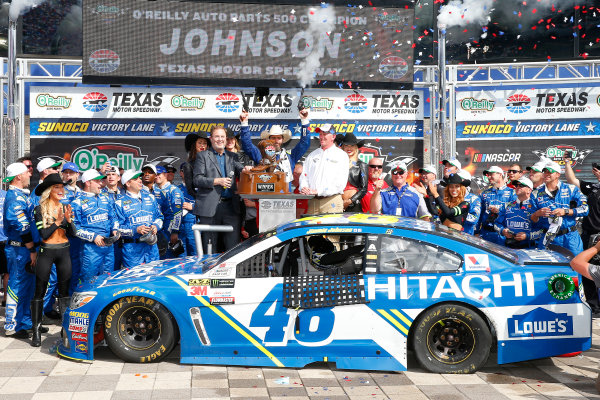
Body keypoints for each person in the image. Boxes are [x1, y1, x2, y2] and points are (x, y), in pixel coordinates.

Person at [31, 173, 76, 346]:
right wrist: (57, 222)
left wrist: (69, 221)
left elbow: (73, 234)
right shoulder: (39, 209)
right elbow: (43, 235)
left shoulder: (66, 207)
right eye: (56, 187)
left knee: (64, 293)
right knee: (39, 291)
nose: (60, 190)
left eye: (62, 187)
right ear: (49, 190)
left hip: (64, 251)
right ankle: (36, 332)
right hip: (47, 251)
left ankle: (65, 331)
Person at [193, 126, 251, 253]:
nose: (220, 139)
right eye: (217, 136)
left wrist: (246, 169)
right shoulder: (203, 156)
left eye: (222, 137)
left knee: (233, 248)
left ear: (226, 139)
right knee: (209, 248)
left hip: (231, 207)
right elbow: (197, 180)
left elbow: (240, 168)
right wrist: (217, 181)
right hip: (209, 209)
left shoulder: (233, 156)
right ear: (211, 139)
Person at [3, 162, 37, 338]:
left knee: (27, 287)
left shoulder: (23, 195)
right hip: (19, 249)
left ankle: (24, 323)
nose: (30, 175)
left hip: (26, 248)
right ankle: (11, 325)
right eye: (27, 172)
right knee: (16, 286)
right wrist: (31, 249)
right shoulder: (14, 198)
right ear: (18, 176)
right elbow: (22, 226)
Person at [239, 108, 311, 187]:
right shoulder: (261, 155)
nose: (276, 141)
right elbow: (247, 145)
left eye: (279, 138)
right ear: (268, 140)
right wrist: (244, 123)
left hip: (286, 196)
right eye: (273, 138)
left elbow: (304, 143)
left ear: (283, 140)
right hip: (266, 195)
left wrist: (304, 121)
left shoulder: (290, 156)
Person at [564, 156, 600, 314]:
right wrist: (566, 162)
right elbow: (572, 179)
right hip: (588, 234)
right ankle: (594, 307)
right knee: (587, 270)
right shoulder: (592, 187)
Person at [530, 161, 588, 254]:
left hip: (570, 237)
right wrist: (537, 214)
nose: (546, 174)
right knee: (547, 267)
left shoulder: (571, 189)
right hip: (548, 236)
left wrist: (565, 211)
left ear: (557, 174)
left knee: (576, 266)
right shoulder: (535, 193)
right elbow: (531, 219)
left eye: (550, 172)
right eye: (545, 172)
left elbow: (585, 209)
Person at [71, 169, 118, 282]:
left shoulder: (106, 198)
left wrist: (115, 229)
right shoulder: (77, 202)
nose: (101, 184)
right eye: (97, 181)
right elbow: (75, 229)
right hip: (91, 249)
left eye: (101, 181)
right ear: (88, 182)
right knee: (89, 280)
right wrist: (93, 237)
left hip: (108, 245)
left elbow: (113, 217)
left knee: (108, 279)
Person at [114, 170, 164, 269]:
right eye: (136, 179)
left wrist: (156, 226)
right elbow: (117, 229)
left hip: (151, 247)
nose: (140, 180)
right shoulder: (119, 203)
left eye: (139, 178)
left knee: (155, 276)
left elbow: (160, 218)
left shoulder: (151, 198)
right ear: (128, 183)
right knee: (135, 280)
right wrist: (135, 230)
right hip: (132, 249)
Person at [299, 124, 349, 215]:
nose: (322, 137)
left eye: (325, 134)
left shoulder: (341, 155)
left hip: (331, 201)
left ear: (333, 136)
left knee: (331, 229)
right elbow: (304, 175)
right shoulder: (312, 155)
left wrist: (319, 191)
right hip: (313, 201)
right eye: (320, 134)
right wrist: (304, 187)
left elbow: (340, 183)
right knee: (311, 229)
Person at [493, 176, 543, 249]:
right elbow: (496, 224)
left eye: (521, 186)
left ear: (529, 190)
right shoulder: (507, 205)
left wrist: (527, 236)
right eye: (516, 185)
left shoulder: (536, 207)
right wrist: (502, 231)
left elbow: (542, 230)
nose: (518, 187)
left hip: (529, 248)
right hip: (508, 247)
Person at [478, 166, 516, 245]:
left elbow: (515, 213)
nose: (489, 177)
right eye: (488, 175)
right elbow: (479, 214)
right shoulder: (484, 193)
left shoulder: (512, 193)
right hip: (485, 234)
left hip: (502, 235)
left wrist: (500, 211)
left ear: (500, 175)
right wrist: (476, 232)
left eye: (491, 174)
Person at [154, 165, 183, 259]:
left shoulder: (174, 190)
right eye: (155, 174)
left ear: (165, 175)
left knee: (170, 257)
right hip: (158, 228)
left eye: (159, 174)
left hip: (169, 227)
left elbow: (178, 213)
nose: (156, 176)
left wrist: (175, 231)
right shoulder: (154, 190)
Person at [101, 166, 124, 270]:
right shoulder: (100, 194)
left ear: (118, 177)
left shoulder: (125, 194)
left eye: (113, 174)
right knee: (110, 270)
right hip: (108, 237)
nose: (110, 177)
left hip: (125, 237)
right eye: (108, 175)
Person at [340, 133, 368, 212]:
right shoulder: (337, 165)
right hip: (337, 204)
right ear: (343, 147)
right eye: (346, 145)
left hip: (354, 205)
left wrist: (350, 201)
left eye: (352, 145)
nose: (349, 148)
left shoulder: (362, 165)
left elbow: (364, 189)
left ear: (356, 148)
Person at [177, 163, 197, 256]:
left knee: (195, 253)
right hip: (180, 225)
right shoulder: (176, 189)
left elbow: (208, 205)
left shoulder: (199, 188)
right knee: (181, 254)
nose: (189, 173)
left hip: (194, 224)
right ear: (181, 173)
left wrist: (192, 207)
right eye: (185, 171)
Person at [182, 132, 210, 197]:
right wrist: (203, 199)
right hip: (200, 201)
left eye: (205, 143)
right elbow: (190, 190)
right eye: (200, 143)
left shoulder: (212, 162)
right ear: (194, 145)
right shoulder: (188, 166)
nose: (202, 145)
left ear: (207, 146)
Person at [457, 170, 482, 235]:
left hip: (465, 237)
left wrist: (456, 213)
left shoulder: (474, 198)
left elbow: (474, 219)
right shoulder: (449, 197)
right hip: (449, 236)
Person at [0, 187, 7, 307]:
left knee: (8, 272)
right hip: (6, 239)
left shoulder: (7, 195)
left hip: (6, 239)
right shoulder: (8, 195)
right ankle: (5, 299)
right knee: (8, 272)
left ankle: (6, 298)